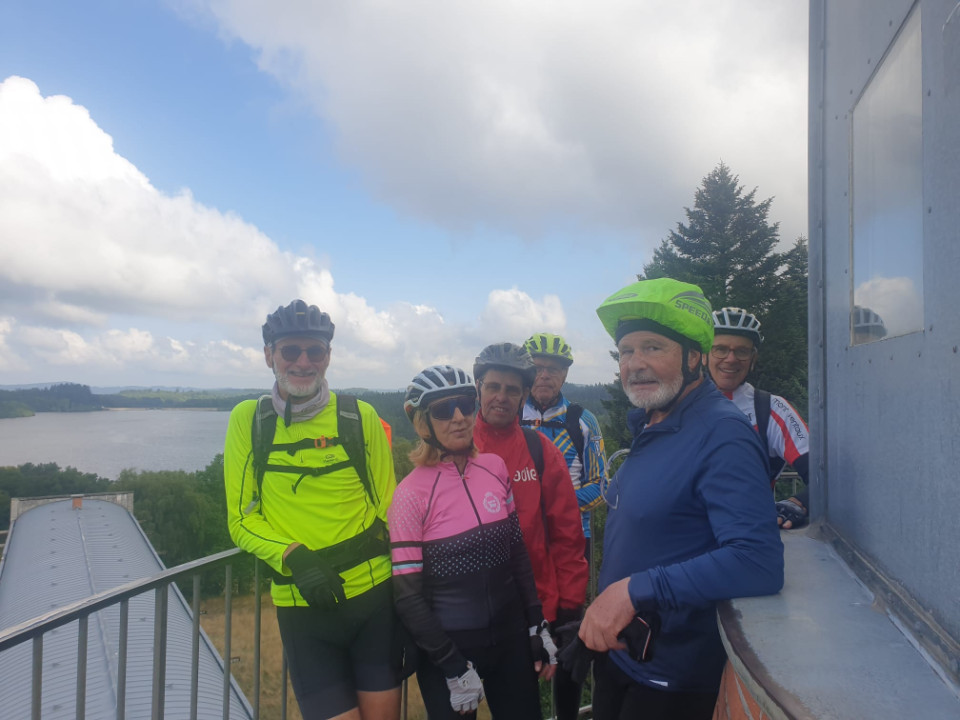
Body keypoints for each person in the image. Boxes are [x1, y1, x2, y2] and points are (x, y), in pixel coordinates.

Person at [580, 278, 784, 720]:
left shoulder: (722, 434)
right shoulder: (655, 421)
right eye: (626, 351)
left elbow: (758, 560)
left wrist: (632, 591)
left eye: (652, 347)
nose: (635, 364)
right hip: (625, 655)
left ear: (694, 357)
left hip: (670, 679)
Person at [224, 299, 401, 720]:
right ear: (269, 355)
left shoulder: (359, 416)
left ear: (328, 357)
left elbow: (389, 509)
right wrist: (293, 555)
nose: (303, 362)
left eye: (315, 351)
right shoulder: (250, 421)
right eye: (290, 350)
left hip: (373, 600)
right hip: (301, 606)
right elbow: (241, 519)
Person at [389, 365, 556, 719]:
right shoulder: (409, 495)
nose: (459, 417)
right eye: (443, 410)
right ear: (421, 422)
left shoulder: (494, 467)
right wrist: (450, 663)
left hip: (510, 639)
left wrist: (536, 623)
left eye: (466, 404)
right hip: (450, 652)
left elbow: (517, 554)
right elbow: (408, 597)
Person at [472, 344, 588, 630]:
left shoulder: (540, 450)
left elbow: (567, 535)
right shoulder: (456, 449)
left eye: (512, 390)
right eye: (493, 387)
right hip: (471, 611)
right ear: (478, 388)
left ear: (524, 395)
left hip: (536, 606)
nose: (501, 397)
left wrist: (570, 605)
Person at [519, 333, 603, 720]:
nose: (544, 375)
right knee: (522, 636)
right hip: (522, 547)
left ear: (565, 374)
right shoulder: (510, 417)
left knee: (568, 637)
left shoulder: (582, 421)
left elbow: (601, 486)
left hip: (571, 545)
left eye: (553, 369)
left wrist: (554, 508)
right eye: (537, 368)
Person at [709, 307, 811, 529]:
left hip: (744, 535)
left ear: (753, 359)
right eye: (720, 349)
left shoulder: (772, 409)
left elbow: (823, 476)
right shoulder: (677, 407)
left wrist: (798, 502)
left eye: (742, 351)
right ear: (704, 354)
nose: (731, 359)